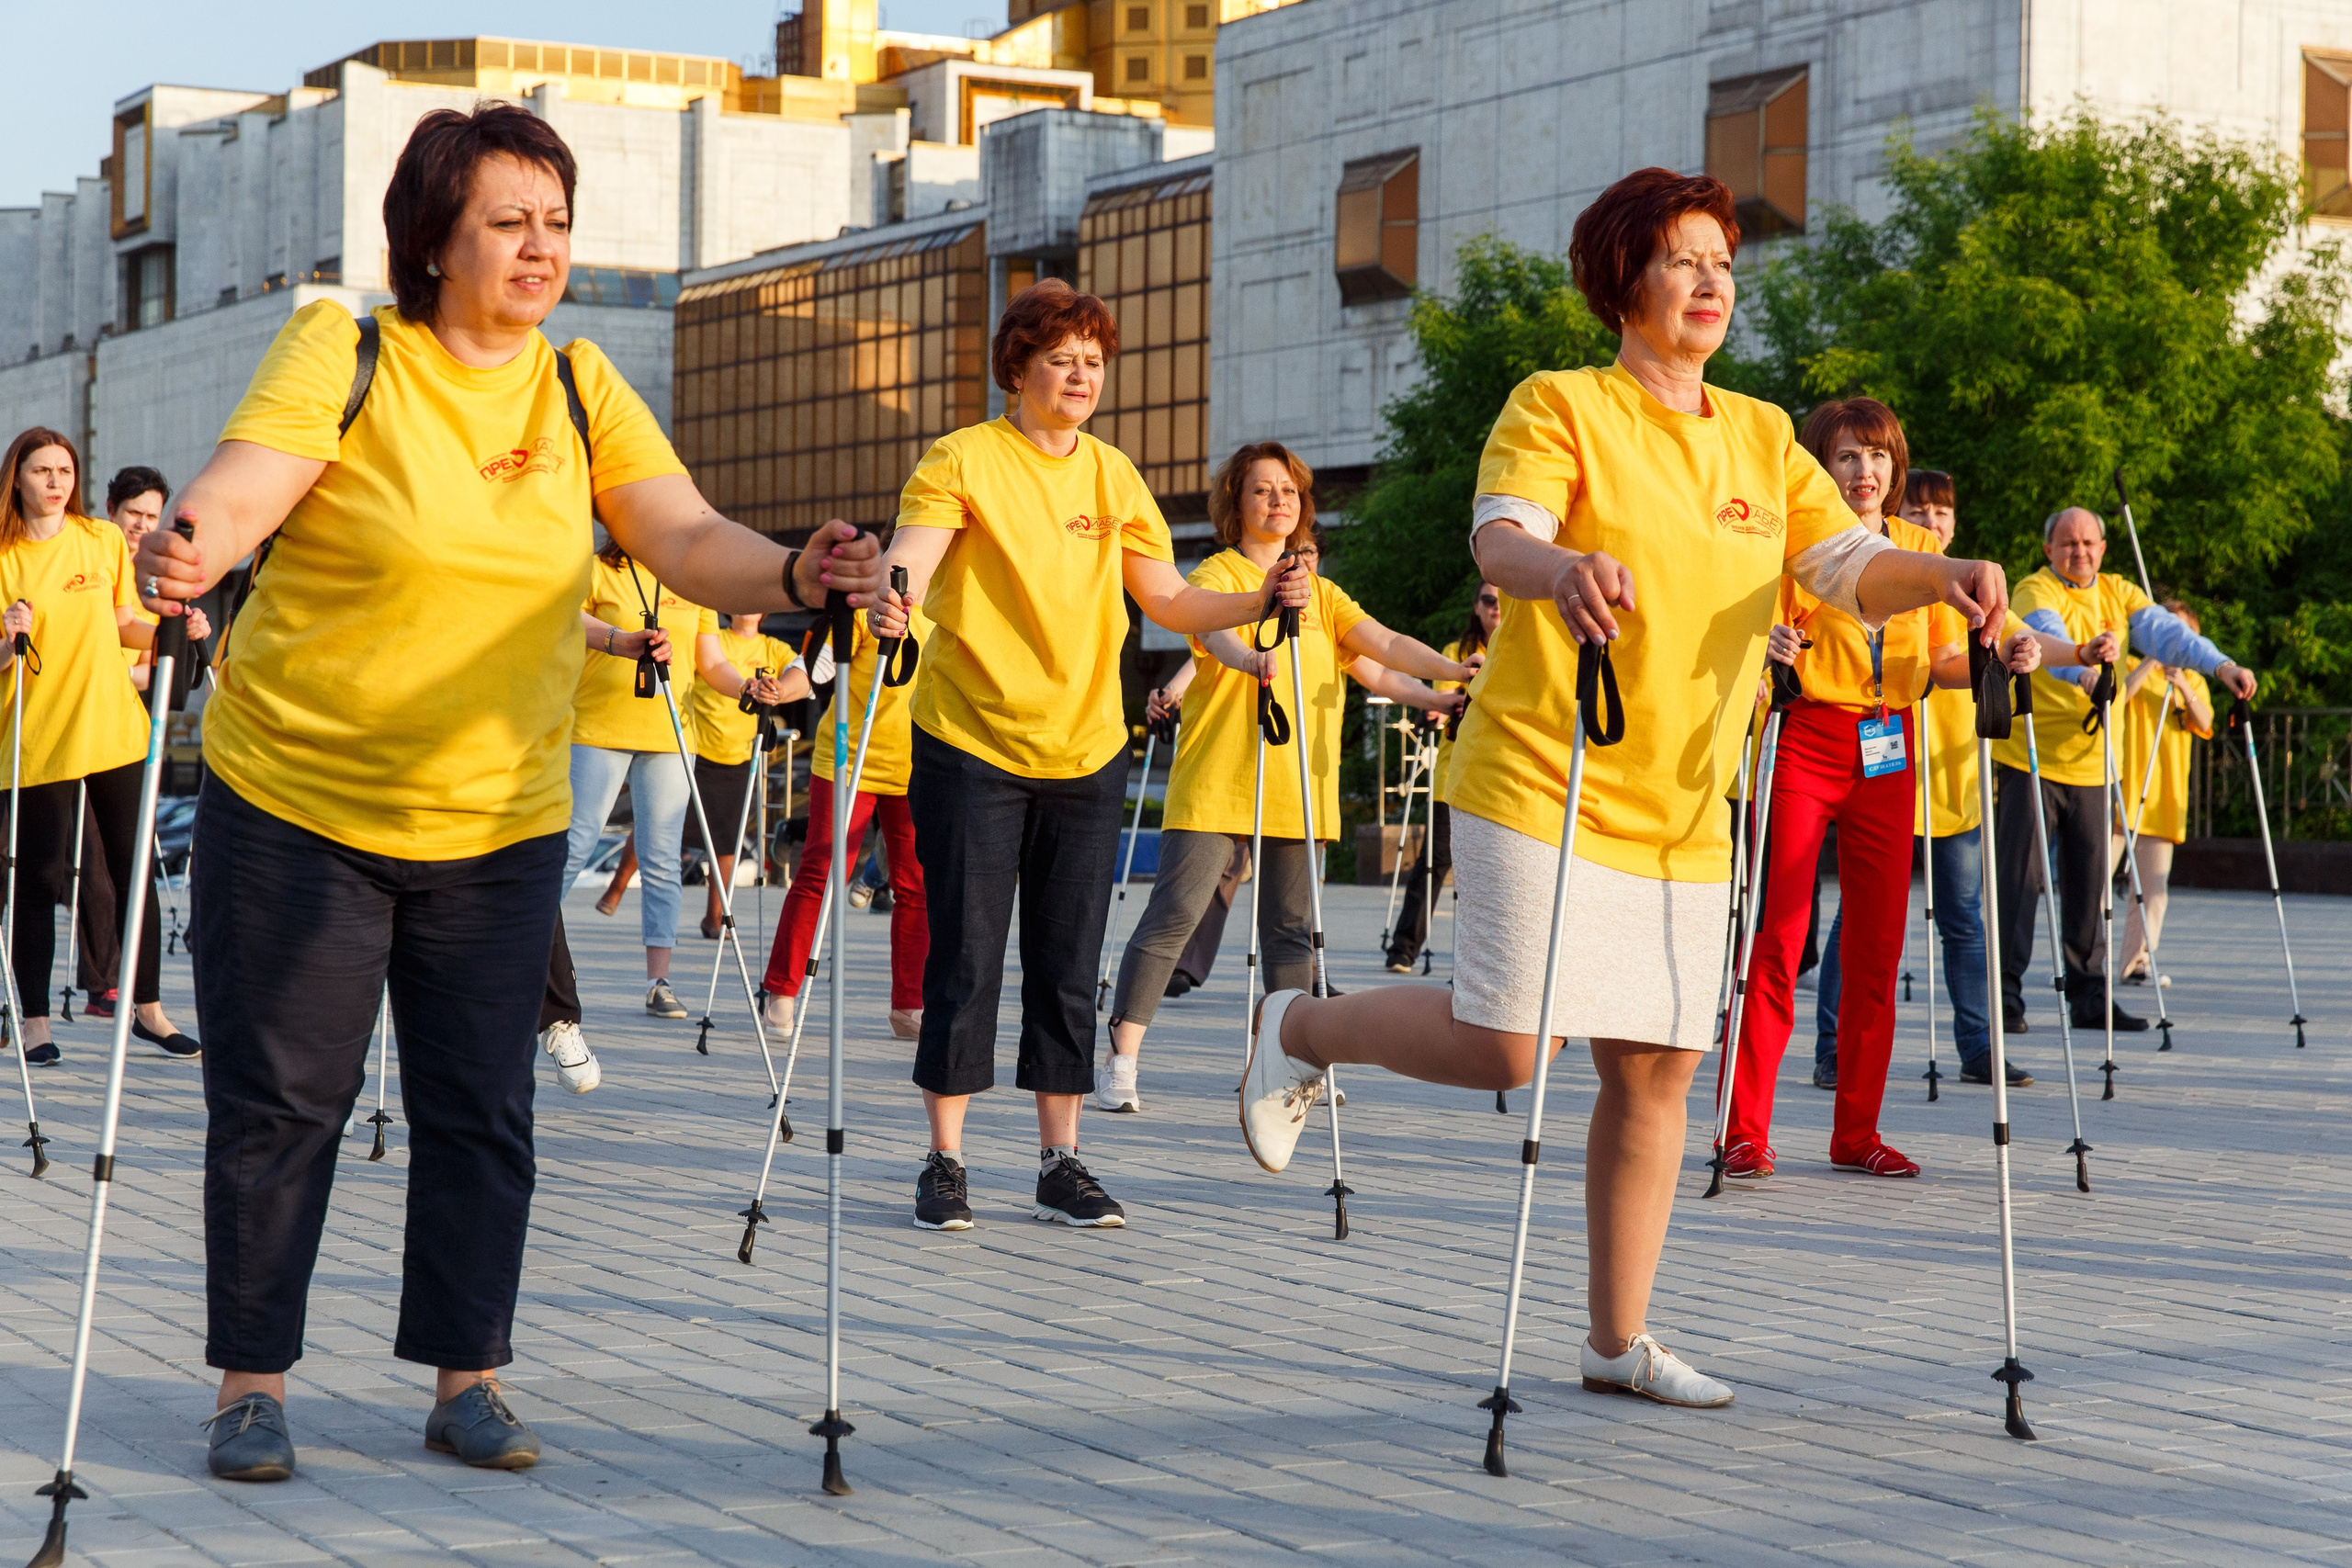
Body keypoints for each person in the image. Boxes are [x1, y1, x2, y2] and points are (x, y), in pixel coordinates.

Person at [136, 102, 881, 1484]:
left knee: (483, 1103)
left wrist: (800, 572)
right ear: (434, 238)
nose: (539, 250)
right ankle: (254, 1385)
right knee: (284, 1098)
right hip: (301, 800)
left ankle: (466, 1372)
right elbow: (244, 493)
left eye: (555, 221)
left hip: (497, 815)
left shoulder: (582, 384)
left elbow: (683, 531)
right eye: (507, 222)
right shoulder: (349, 351)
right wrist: (189, 544)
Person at [1233, 167, 2010, 1406]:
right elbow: (1500, 534)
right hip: (1547, 767)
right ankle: (1298, 1026)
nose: (1710, 283)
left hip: (1687, 803)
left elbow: (1849, 564)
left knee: (1654, 1068)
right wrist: (1558, 568)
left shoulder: (1762, 433)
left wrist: (1947, 568)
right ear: (1623, 280)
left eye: (1724, 265)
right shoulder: (1562, 404)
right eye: (1682, 260)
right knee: (1506, 1046)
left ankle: (1615, 1341)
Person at [868, 277, 1313, 1234]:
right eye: (1060, 359)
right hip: (970, 743)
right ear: (1017, 369)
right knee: (968, 956)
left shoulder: (1114, 476)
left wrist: (1257, 599)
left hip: (1085, 750)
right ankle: (944, 1161)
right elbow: (913, 553)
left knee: (1067, 961)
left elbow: (1172, 601)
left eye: (1093, 363)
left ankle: (1059, 1159)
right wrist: (892, 593)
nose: (1079, 376)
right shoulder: (963, 458)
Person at [1725, 401, 2048, 1182]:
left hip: (1888, 747)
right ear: (1819, 469)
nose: (1862, 472)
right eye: (1844, 458)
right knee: (1779, 937)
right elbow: (1755, 645)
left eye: (1875, 456)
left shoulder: (1921, 549)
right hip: (1808, 734)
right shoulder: (1796, 549)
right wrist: (1764, 645)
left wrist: (2002, 651)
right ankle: (1744, 1131)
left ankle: (1856, 1132)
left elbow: (1941, 661)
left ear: (1894, 469)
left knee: (1878, 945)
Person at [1094, 451, 1470, 1114]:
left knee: (1292, 930)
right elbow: (1212, 635)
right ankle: (1121, 1054)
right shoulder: (1219, 573)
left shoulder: (1321, 593)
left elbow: (1382, 655)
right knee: (1176, 914)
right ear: (1235, 503)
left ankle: (1292, 1059)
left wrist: (1448, 677)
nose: (1278, 501)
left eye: (1289, 490)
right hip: (1219, 776)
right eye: (1262, 491)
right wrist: (1252, 658)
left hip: (1298, 785)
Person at [1993, 507, 2255, 1035]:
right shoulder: (2033, 589)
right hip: (2033, 760)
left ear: (2104, 548)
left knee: (2090, 887)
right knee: (2019, 886)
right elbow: (2045, 640)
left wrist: (2222, 665)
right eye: (2067, 543)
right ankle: (2004, 1000)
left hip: (2094, 768)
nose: (2079, 551)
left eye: (2089, 542)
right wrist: (2086, 675)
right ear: (2049, 551)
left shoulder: (2120, 592)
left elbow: (2165, 633)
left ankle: (2091, 1001)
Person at [1811, 469, 2032, 1089]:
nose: (1932, 521)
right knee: (1855, 915)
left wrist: (2017, 659)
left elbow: (1974, 652)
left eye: (1944, 512)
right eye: (1922, 509)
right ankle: (1831, 1045)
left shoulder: (1961, 577)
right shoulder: (1874, 560)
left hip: (1949, 786)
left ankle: (1978, 1044)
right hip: (1882, 769)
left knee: (1963, 917)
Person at [0, 429, 206, 1066]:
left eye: (64, 469)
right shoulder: (4, 556)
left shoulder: (102, 539)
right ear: (18, 478)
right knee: (39, 878)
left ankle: (148, 1008)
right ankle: (34, 1021)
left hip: (112, 730)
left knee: (133, 869)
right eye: (41, 470)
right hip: (38, 736)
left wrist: (176, 627)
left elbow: (124, 623)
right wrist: (9, 640)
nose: (55, 481)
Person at [760, 592, 931, 1041]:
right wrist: (783, 690)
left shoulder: (954, 607)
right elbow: (814, 668)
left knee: (916, 883)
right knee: (821, 869)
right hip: (848, 759)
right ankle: (781, 989)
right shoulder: (864, 613)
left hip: (918, 765)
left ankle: (910, 1003)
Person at [560, 539, 717, 1023]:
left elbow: (710, 662)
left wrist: (750, 688)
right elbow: (565, 619)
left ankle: (658, 982)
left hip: (671, 732)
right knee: (572, 843)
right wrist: (617, 640)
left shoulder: (692, 580)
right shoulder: (596, 568)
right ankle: (513, 954)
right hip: (598, 728)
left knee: (662, 858)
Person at [1385, 581, 1498, 972]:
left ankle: (1482, 964)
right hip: (1457, 771)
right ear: (1476, 606)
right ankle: (1403, 948)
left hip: (1503, 778)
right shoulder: (1457, 652)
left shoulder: (1521, 646)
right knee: (1432, 862)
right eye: (1488, 599)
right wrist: (1440, 708)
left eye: (1502, 600)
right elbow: (1446, 697)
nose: (1496, 607)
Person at [684, 613, 801, 939]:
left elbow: (801, 670)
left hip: (737, 756)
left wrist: (780, 687)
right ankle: (617, 888)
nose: (746, 607)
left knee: (726, 842)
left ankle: (715, 915)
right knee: (663, 822)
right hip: (697, 748)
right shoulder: (713, 638)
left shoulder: (772, 647)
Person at [2115, 600, 2213, 985]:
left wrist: (2184, 684)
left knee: (2153, 890)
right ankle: (2085, 961)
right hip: (2121, 794)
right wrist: (2148, 663)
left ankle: (2135, 962)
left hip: (2162, 798)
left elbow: (2204, 722)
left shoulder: (2195, 681)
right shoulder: (2127, 665)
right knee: (2094, 883)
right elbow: (2116, 700)